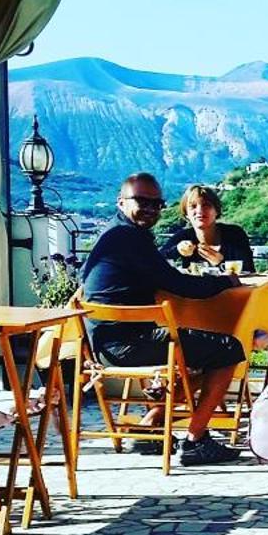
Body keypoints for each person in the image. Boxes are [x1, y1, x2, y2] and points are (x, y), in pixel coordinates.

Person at [82, 172, 247, 466]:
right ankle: (196, 440)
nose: (150, 208)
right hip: (128, 345)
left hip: (104, 345)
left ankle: (151, 425)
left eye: (156, 204)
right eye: (141, 201)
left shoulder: (113, 234)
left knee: (201, 350)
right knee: (230, 349)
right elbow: (180, 285)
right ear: (121, 202)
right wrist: (226, 281)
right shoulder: (130, 238)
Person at [158, 184, 255, 271]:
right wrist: (177, 250)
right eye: (193, 206)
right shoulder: (183, 236)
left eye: (206, 205)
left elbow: (248, 269)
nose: (200, 211)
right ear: (186, 214)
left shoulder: (234, 234)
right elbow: (156, 261)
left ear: (216, 210)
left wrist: (220, 263)